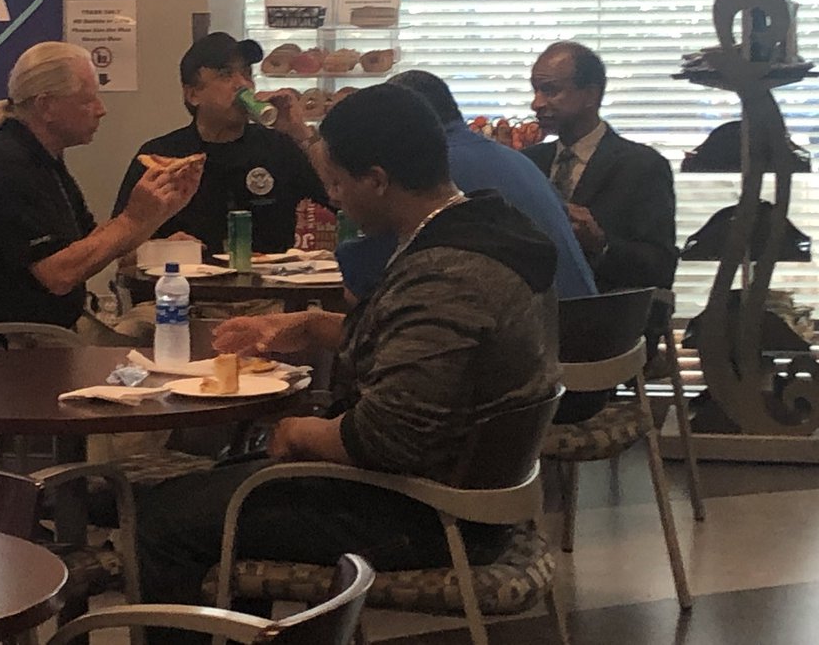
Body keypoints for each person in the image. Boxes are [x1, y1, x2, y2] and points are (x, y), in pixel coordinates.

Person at [134, 84, 561, 641]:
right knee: (221, 485)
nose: (333, 198)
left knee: (167, 518)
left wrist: (302, 432)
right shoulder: (482, 233)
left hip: (430, 512)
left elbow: (385, 438)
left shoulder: (450, 274)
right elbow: (421, 349)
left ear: (378, 180)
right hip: (462, 486)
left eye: (337, 182)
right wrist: (310, 326)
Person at [0, 41, 201, 339]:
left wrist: (160, 210)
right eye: (87, 100)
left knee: (166, 329)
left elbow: (92, 244)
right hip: (9, 342)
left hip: (43, 329)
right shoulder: (6, 163)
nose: (101, 110)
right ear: (46, 106)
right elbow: (59, 275)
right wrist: (133, 219)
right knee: (166, 342)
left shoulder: (39, 156)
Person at [335, 69, 598, 301]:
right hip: (597, 332)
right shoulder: (516, 160)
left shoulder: (431, 168)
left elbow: (370, 277)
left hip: (544, 344)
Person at [111, 31, 330, 256]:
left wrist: (300, 133)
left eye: (247, 73)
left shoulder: (278, 146)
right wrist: (162, 250)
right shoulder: (161, 156)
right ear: (193, 94)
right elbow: (120, 251)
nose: (242, 84)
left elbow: (337, 199)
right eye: (226, 75)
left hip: (270, 286)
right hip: (189, 287)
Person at [522, 40, 677, 293]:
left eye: (550, 90)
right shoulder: (528, 163)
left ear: (590, 95)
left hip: (602, 313)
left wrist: (601, 244)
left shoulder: (642, 166)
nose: (536, 103)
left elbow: (660, 268)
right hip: (530, 312)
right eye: (535, 90)